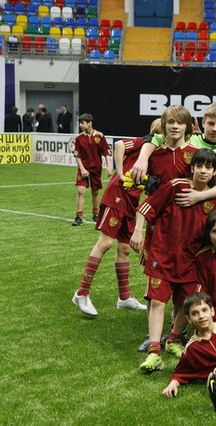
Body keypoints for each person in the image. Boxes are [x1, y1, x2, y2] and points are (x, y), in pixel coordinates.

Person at [130, 149, 216, 373]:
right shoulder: (175, 186)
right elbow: (147, 208)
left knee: (186, 303)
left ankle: (173, 339)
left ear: (214, 172)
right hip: (163, 257)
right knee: (158, 302)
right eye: (199, 166)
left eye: (208, 167)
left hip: (190, 261)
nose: (203, 171)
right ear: (192, 168)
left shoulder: (211, 201)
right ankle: (154, 352)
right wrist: (138, 232)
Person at [71, 120, 161, 316]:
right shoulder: (145, 142)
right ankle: (82, 293)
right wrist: (120, 173)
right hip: (117, 195)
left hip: (131, 201)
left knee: (124, 248)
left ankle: (124, 297)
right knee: (105, 243)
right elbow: (119, 145)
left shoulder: (161, 153)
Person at [130, 103, 216, 212]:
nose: (214, 129)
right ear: (203, 122)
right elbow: (153, 138)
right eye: (210, 124)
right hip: (193, 208)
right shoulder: (189, 139)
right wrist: (142, 159)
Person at [72, 113, 112, 226]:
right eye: (80, 123)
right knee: (81, 190)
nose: (80, 125)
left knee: (95, 191)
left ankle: (95, 214)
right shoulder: (79, 138)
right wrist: (82, 169)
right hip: (83, 168)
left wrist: (109, 167)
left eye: (82, 123)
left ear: (89, 123)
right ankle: (78, 217)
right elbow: (77, 155)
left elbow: (106, 153)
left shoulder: (100, 136)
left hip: (96, 168)